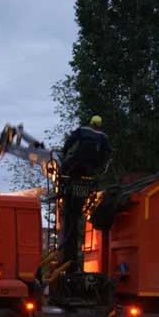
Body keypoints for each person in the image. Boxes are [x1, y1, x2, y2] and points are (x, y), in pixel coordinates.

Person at [57, 115, 113, 271]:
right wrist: (100, 164)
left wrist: (64, 152)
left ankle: (63, 180)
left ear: (90, 122)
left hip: (77, 162)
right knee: (75, 211)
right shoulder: (103, 136)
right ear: (100, 125)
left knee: (65, 169)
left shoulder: (83, 130)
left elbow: (70, 142)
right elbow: (108, 152)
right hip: (90, 166)